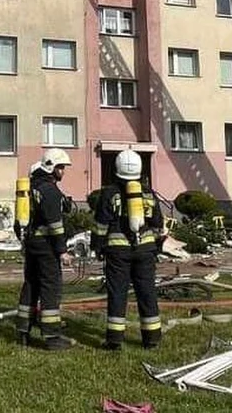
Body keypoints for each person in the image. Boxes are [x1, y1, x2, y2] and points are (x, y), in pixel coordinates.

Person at [91, 150, 165, 351]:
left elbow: (101, 225)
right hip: (145, 250)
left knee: (117, 293)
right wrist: (154, 246)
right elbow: (158, 223)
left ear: (116, 169)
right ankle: (152, 339)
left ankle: (114, 339)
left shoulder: (109, 193)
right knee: (147, 292)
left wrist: (97, 246)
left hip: (118, 252)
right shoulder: (148, 193)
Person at [14, 148, 75, 350]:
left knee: (31, 285)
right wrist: (62, 251)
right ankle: (52, 337)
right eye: (61, 168)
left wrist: (25, 241)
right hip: (47, 247)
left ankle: (23, 331)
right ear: (53, 168)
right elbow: (55, 225)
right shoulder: (49, 191)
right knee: (51, 288)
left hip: (31, 245)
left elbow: (19, 222)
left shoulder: (31, 188)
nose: (63, 172)